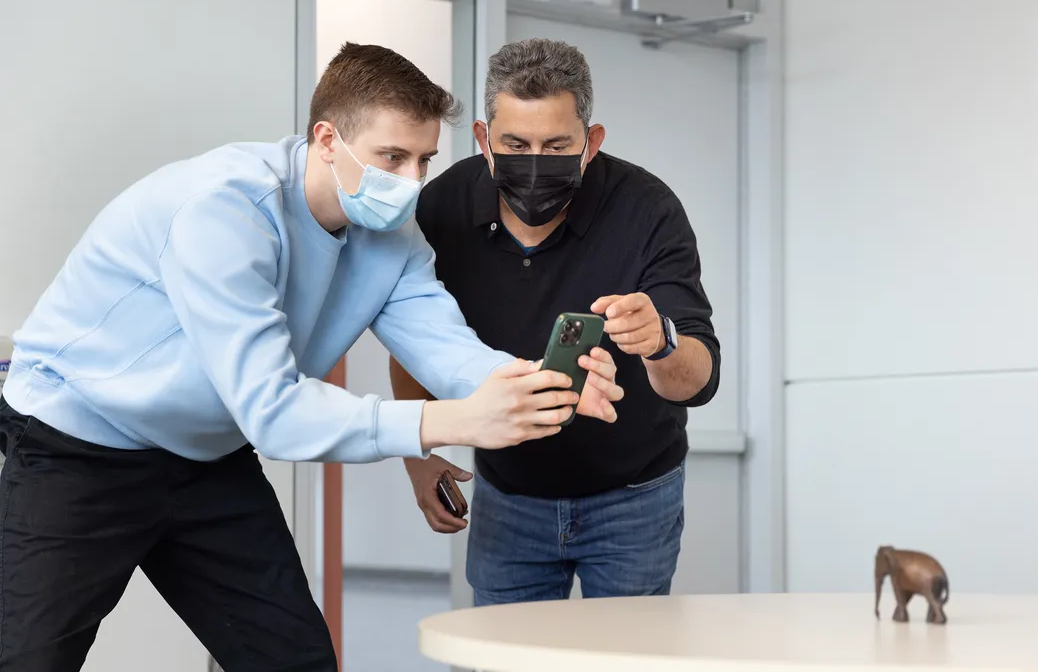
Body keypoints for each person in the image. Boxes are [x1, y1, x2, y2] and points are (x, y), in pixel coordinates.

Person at [0, 42, 623, 671]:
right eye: (392, 157)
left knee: (297, 665)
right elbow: (273, 411)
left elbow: (443, 343)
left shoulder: (392, 237)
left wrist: (532, 385)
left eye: (425, 160)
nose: (411, 183)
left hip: (205, 459)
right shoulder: (224, 212)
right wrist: (451, 423)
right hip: (78, 445)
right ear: (328, 139)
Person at [392, 38, 720, 606]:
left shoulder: (647, 209)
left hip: (634, 495)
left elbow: (696, 382)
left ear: (590, 143)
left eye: (557, 144)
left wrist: (660, 342)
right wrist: (418, 457)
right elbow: (413, 342)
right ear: (482, 140)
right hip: (507, 494)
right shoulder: (441, 207)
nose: (535, 162)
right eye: (515, 143)